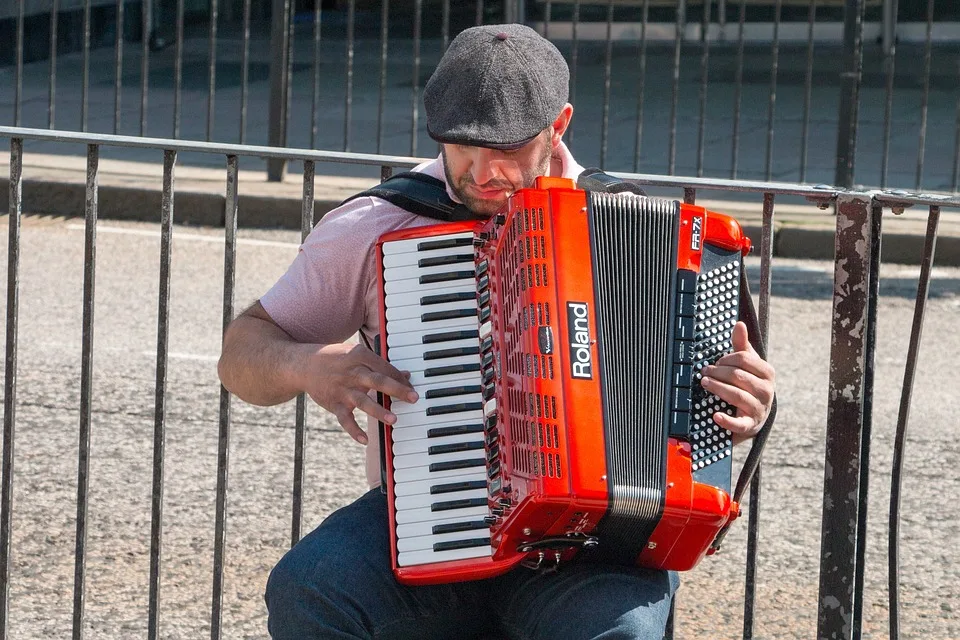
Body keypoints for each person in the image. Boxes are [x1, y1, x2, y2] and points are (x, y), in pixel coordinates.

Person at [218, 23, 776, 640]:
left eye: (507, 148)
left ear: (557, 125)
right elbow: (241, 353)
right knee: (310, 589)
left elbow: (715, 396)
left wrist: (746, 404)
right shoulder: (380, 223)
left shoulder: (644, 230)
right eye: (462, 148)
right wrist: (308, 366)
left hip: (594, 545)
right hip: (433, 525)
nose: (483, 172)